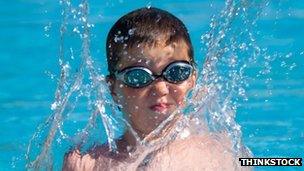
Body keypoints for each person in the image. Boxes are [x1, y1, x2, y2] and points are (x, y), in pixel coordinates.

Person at [63, 7, 247, 170]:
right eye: (138, 76)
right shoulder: (86, 164)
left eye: (176, 72)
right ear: (113, 88)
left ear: (192, 79)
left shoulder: (220, 155)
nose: (160, 88)